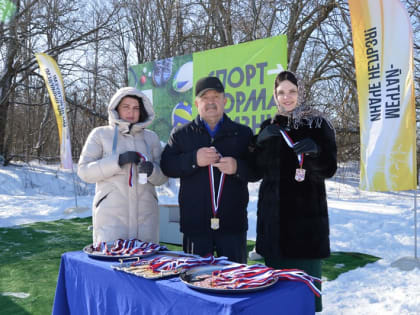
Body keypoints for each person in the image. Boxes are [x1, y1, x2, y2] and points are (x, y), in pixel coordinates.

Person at [250, 71, 337, 312]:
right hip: (273, 232)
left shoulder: (318, 124)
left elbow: (329, 168)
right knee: (275, 302)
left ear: (301, 92)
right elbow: (256, 171)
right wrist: (258, 143)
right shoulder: (270, 126)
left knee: (303, 302)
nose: (286, 97)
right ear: (274, 96)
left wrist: (316, 151)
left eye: (292, 91)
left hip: (304, 233)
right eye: (281, 92)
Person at [160, 76, 254, 264]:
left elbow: (257, 170)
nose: (211, 102)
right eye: (205, 98)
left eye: (216, 97)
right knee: (196, 283)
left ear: (224, 101)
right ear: (197, 103)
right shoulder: (181, 134)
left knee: (235, 285)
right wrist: (193, 159)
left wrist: (237, 167)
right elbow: (167, 166)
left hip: (233, 226)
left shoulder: (243, 133)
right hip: (195, 228)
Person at [78, 87, 167, 244]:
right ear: (116, 108)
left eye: (136, 108)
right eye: (126, 107)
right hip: (111, 218)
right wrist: (117, 161)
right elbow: (84, 171)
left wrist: (152, 170)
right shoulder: (100, 134)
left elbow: (163, 177)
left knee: (146, 265)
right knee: (111, 264)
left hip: (146, 218)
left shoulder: (151, 138)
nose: (131, 112)